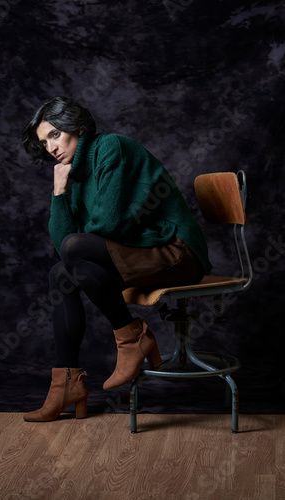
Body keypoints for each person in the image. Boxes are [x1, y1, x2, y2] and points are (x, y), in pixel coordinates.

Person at [21, 96, 211, 422]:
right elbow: (65, 247)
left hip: (177, 253)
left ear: (77, 127)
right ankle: (67, 384)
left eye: (55, 134)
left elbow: (105, 227)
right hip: (140, 256)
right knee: (62, 273)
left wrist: (77, 239)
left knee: (74, 251)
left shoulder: (111, 148)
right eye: (44, 141)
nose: (50, 147)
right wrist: (59, 194)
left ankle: (133, 338)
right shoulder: (75, 178)